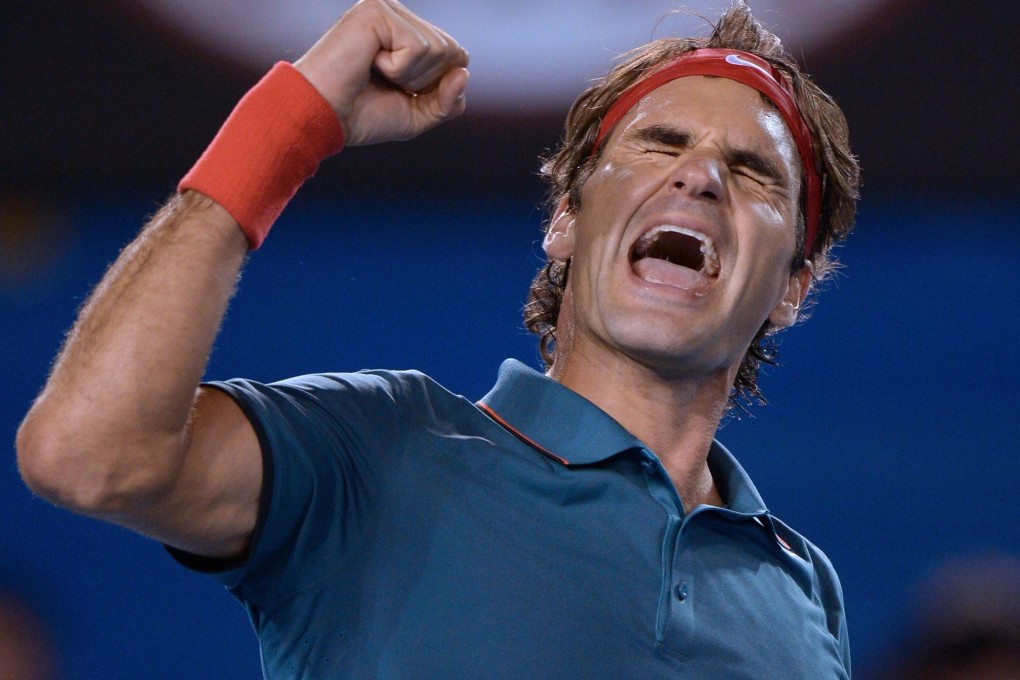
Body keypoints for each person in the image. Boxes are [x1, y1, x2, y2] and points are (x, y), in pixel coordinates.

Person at [16, 0, 860, 677]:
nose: (701, 175)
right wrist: (288, 125)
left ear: (792, 287)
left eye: (753, 173)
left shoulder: (802, 588)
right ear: (564, 221)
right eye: (659, 143)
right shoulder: (377, 447)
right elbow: (88, 454)